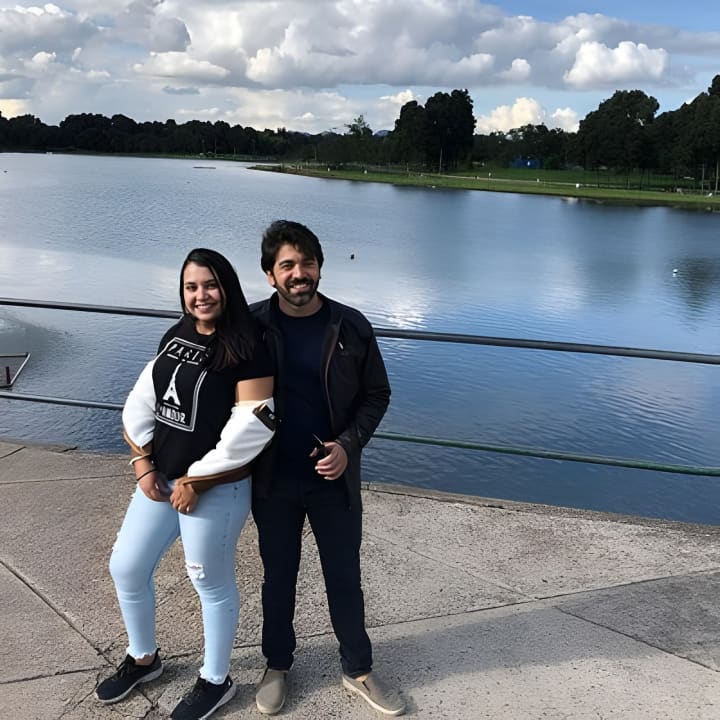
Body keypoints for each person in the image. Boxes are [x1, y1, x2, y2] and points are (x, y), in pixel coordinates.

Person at [95, 248, 276, 720]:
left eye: (210, 285)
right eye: (191, 287)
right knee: (127, 567)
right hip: (161, 480)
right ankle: (144, 658)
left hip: (217, 488)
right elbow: (144, 397)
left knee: (209, 582)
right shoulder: (177, 334)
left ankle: (216, 680)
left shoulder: (249, 346)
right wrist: (142, 462)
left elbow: (254, 424)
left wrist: (197, 479)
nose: (201, 295)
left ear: (227, 287)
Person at [250, 220, 406, 716]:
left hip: (333, 481)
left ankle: (358, 668)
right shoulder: (251, 327)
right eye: (287, 265)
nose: (299, 273)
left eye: (308, 263)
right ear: (270, 274)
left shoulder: (351, 326)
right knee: (278, 578)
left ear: (320, 267)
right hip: (273, 480)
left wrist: (347, 445)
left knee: (344, 577)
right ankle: (277, 666)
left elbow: (376, 395)